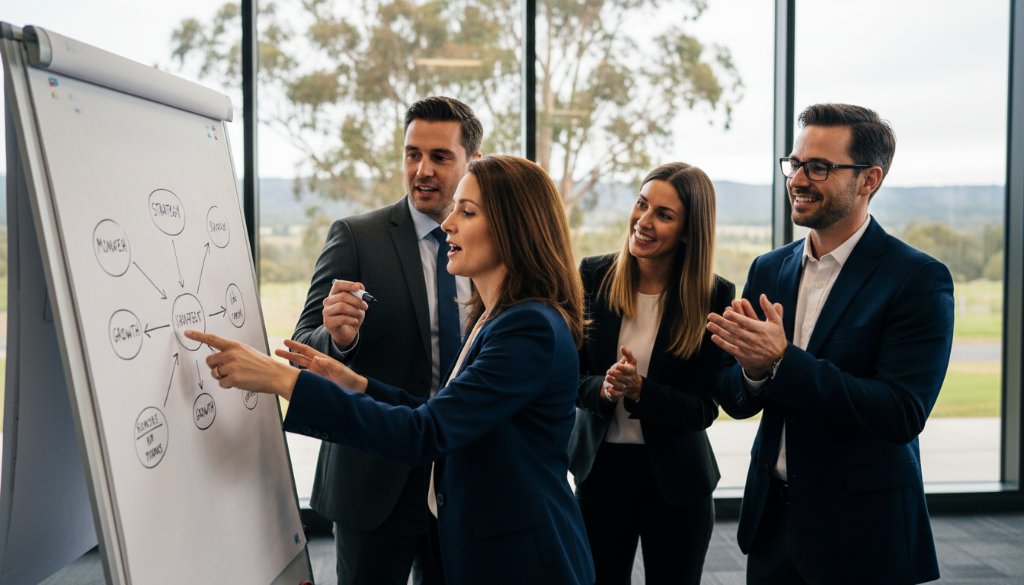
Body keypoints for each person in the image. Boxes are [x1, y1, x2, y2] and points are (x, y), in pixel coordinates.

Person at [186, 155, 596, 585]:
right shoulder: (498, 317)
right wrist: (354, 383)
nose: (449, 223)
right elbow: (442, 412)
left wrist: (283, 379)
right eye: (455, 207)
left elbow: (425, 433)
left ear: (516, 229)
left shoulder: (527, 328)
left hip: (523, 559)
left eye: (467, 211)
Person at [706, 103, 954, 585]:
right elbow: (734, 397)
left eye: (819, 167)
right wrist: (754, 372)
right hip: (773, 524)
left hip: (861, 533)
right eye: (795, 164)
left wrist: (781, 360)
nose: (798, 179)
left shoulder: (917, 279)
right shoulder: (768, 269)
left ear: (869, 180)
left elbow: (901, 412)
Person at [290, 96, 481, 585]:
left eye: (440, 157)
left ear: (472, 163)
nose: (422, 169)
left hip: (465, 477)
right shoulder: (357, 237)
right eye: (412, 154)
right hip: (372, 480)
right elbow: (301, 346)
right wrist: (338, 339)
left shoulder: (489, 244)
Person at [569, 162, 734, 584]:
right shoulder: (593, 275)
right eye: (642, 205)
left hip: (678, 479)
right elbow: (571, 378)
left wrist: (643, 390)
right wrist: (604, 389)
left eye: (663, 214)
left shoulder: (714, 295)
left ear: (688, 231)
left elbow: (703, 410)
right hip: (600, 472)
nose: (643, 221)